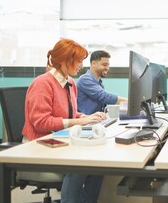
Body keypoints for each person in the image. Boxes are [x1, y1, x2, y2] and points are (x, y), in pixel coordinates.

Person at [22, 38, 106, 203]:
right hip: (39, 142)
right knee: (78, 166)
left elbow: (71, 114)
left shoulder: (70, 83)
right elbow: (42, 122)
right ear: (66, 61)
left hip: (59, 137)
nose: (82, 65)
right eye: (79, 61)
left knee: (98, 164)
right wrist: (77, 122)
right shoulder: (42, 84)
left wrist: (88, 117)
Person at [77, 50, 127, 115]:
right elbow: (104, 96)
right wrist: (129, 102)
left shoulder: (98, 81)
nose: (107, 68)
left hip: (97, 119)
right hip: (87, 121)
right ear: (93, 63)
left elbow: (102, 101)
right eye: (104, 65)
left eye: (108, 65)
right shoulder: (85, 79)